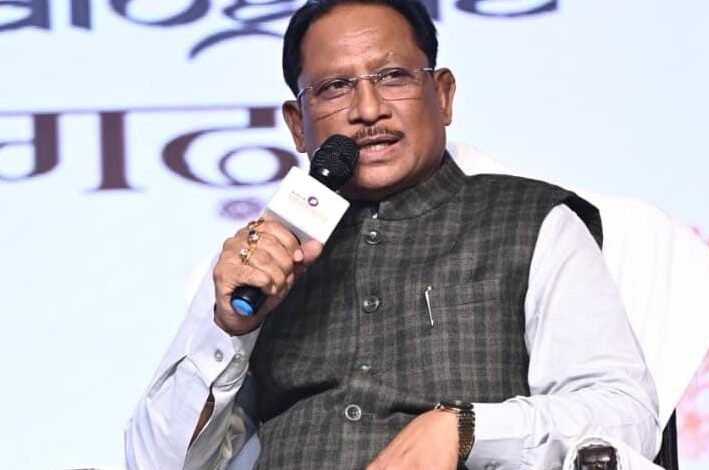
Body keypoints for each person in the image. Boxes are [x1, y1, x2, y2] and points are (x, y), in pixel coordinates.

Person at [125, 1, 661, 469]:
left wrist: (465, 428)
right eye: (335, 87)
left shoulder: (533, 220)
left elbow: (624, 417)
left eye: (393, 77)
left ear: (442, 95)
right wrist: (228, 328)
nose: (367, 110)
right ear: (298, 124)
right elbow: (155, 461)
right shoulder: (263, 252)